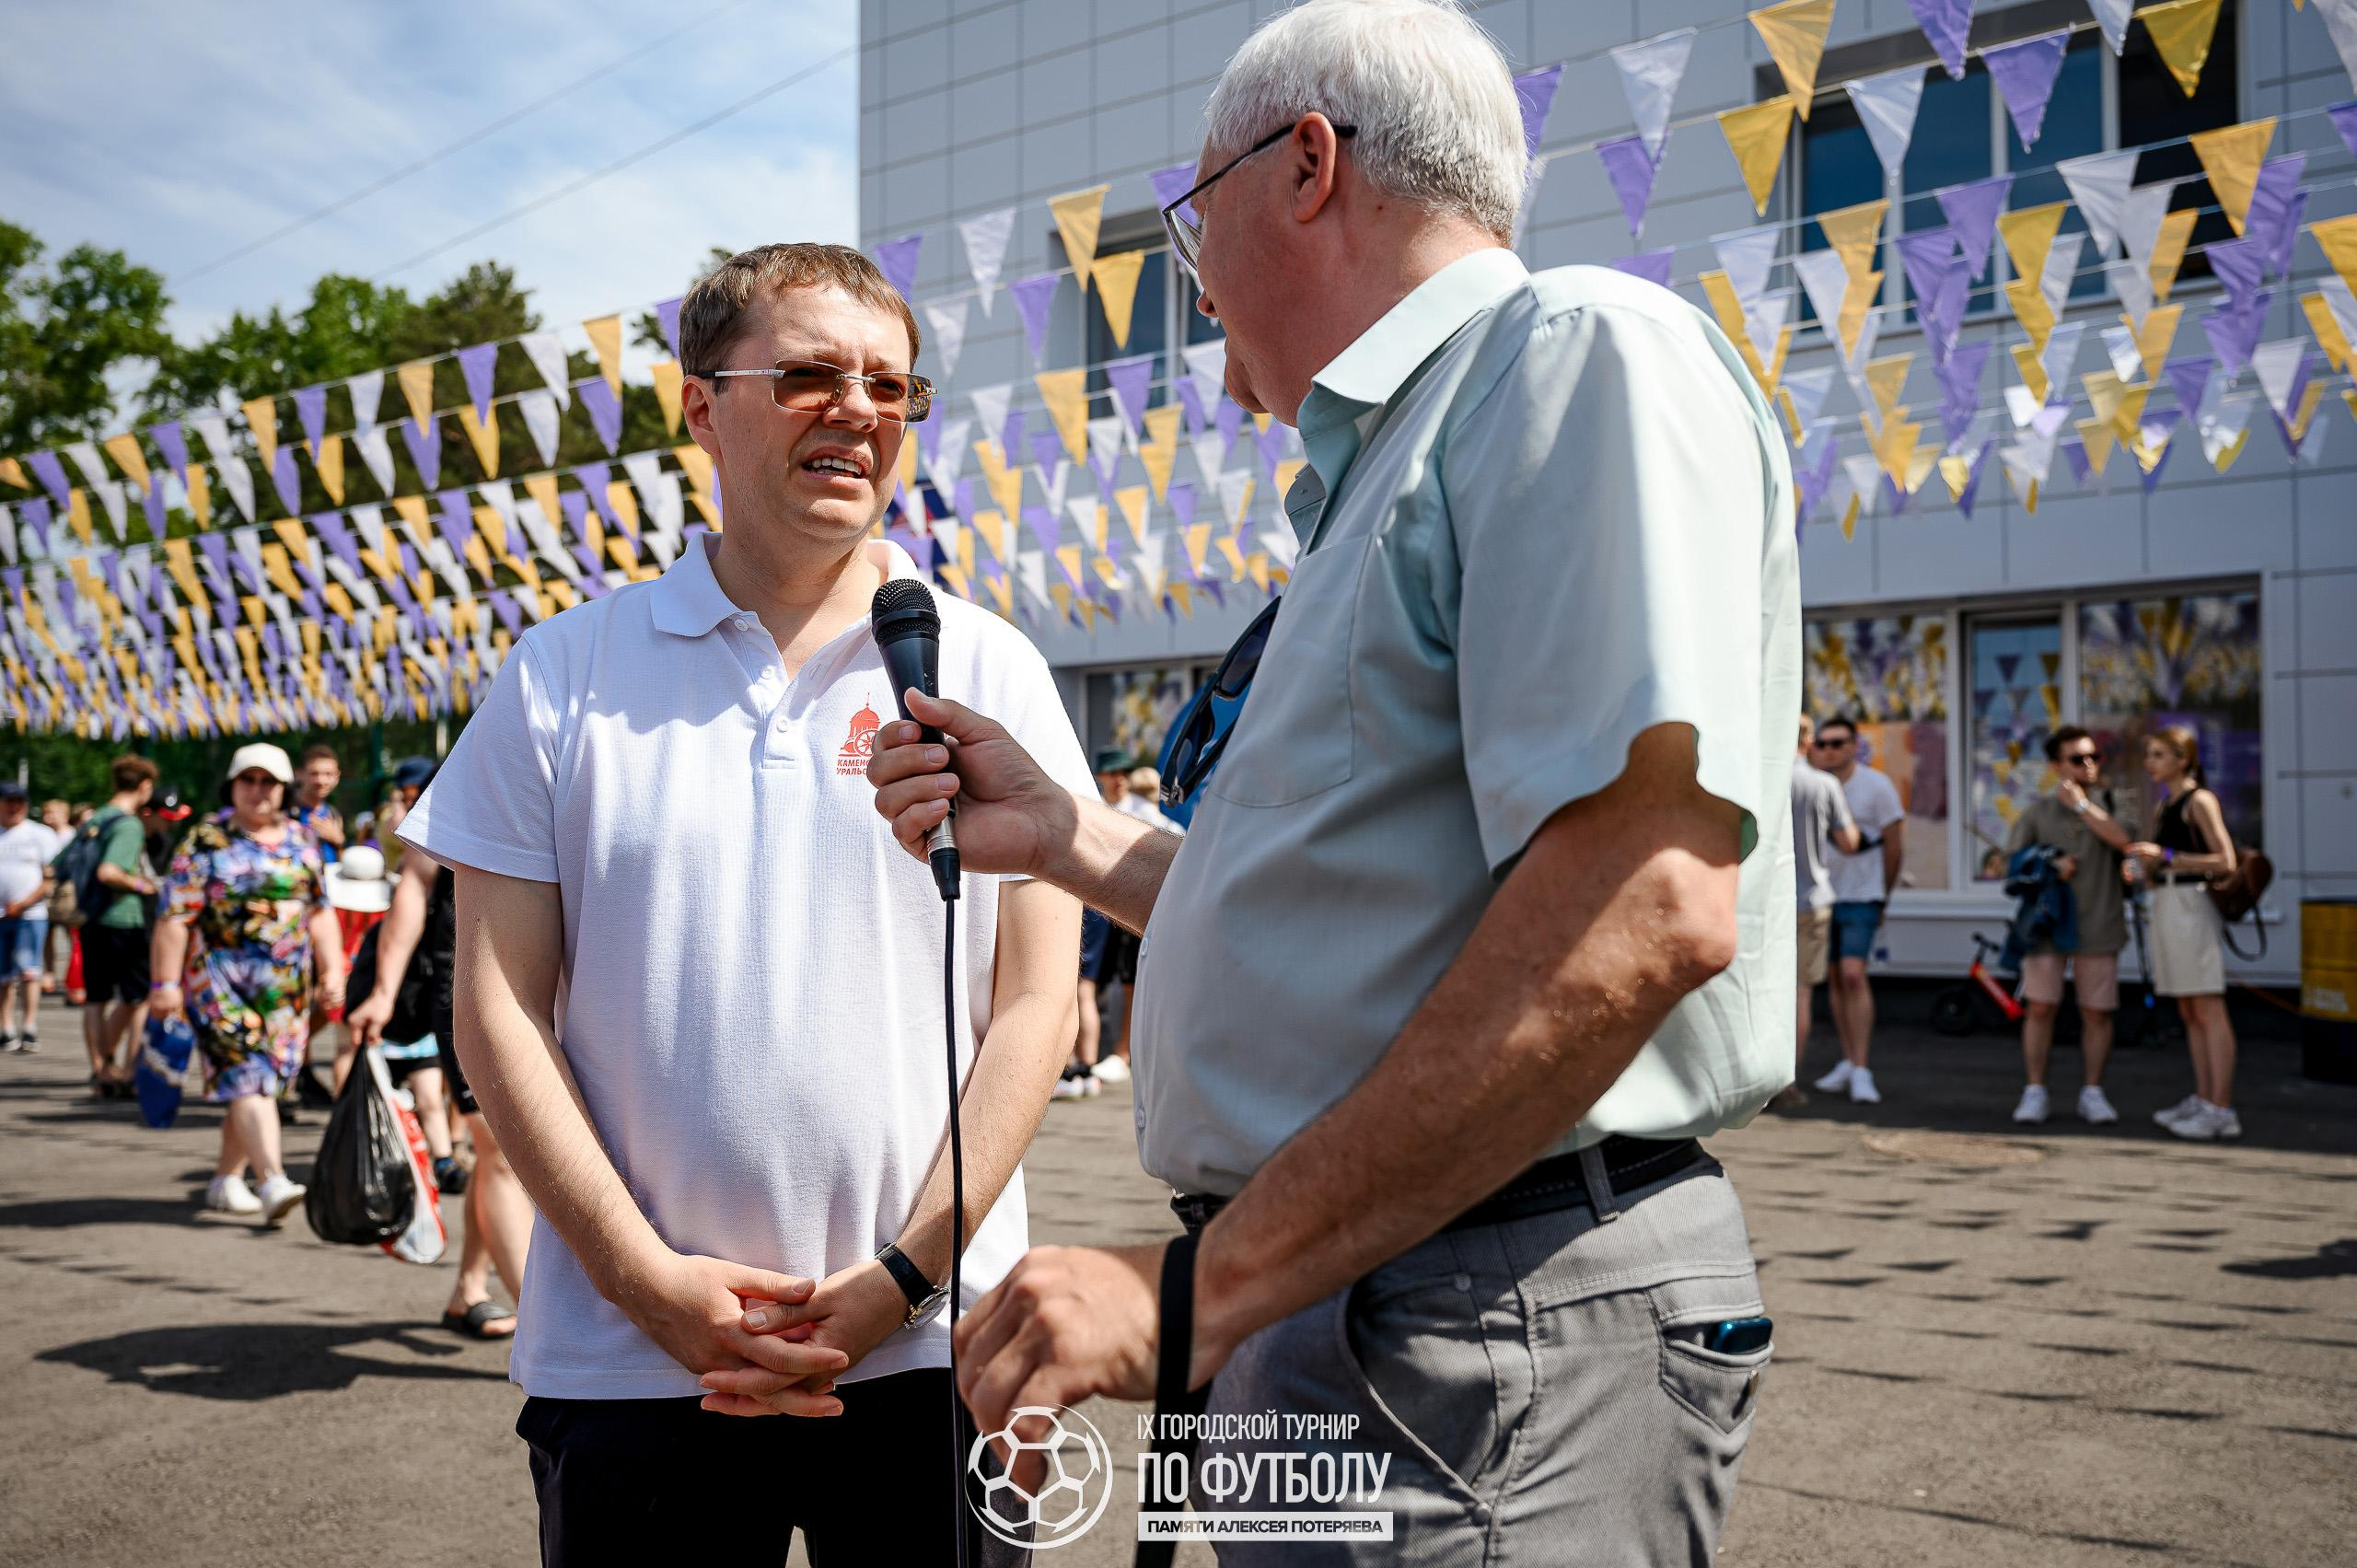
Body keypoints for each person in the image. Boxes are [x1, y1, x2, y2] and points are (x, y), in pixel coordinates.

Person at [862, 3, 1796, 1556]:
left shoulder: (1573, 354)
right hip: (1341, 1292)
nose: (1197, 291)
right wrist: (1074, 838)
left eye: (1190, 224)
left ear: (1304, 166)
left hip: (1475, 1305)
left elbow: (1643, 907)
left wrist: (1191, 1294)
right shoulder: (1400, 455)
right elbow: (1365, 918)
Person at [398, 241, 1087, 1564]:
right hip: (634, 1357)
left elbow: (1033, 1001)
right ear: (704, 404)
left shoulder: (987, 662)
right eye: (813, 373)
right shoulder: (562, 672)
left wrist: (902, 1277)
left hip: (936, 1349)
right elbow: (497, 1006)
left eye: (892, 385)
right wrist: (637, 1275)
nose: (862, 410)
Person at [348, 812, 535, 1342]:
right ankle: (546, 1326)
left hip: (547, 991)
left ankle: (467, 1291)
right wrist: (383, 992)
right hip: (471, 992)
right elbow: (414, 885)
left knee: (493, 1154)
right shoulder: (482, 756)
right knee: (501, 1150)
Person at [150, 744, 344, 1223]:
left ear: (283, 789)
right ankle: (273, 1179)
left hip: (284, 987)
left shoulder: (302, 840)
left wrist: (334, 969)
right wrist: (165, 984)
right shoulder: (205, 841)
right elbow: (175, 918)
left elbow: (319, 912)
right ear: (232, 785)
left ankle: (225, 1179)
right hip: (218, 981)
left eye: (268, 782)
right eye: (248, 780)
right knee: (249, 1076)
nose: (258, 791)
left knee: (261, 1081)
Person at [2004, 726, 2131, 1125]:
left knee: (2097, 1012)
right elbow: (2010, 866)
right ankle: (2035, 1089)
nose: (2089, 765)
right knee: (2040, 1008)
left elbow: (2125, 841)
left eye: (2094, 757)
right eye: (2078, 759)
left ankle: (2092, 1092)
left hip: (2100, 921)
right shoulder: (2037, 813)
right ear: (2056, 765)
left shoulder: (2113, 802)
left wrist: (2082, 808)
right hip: (2046, 925)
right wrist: (2048, 863)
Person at [2128, 725, 2243, 1141]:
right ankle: (2204, 1097)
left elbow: (2226, 860)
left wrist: (2168, 856)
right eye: (2149, 754)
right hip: (2168, 904)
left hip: (2192, 906)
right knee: (2190, 1010)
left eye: (2159, 754)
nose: (2150, 763)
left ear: (2183, 759)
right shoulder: (2166, 805)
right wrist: (2148, 866)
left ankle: (2221, 1107)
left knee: (2208, 1007)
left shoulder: (2200, 800)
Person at [1810, 714, 1904, 1104]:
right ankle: (1848, 1060)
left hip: (1863, 895)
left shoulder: (1876, 785)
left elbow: (1895, 844)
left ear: (1853, 745)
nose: (1829, 750)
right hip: (1821, 895)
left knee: (1853, 975)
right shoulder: (1813, 784)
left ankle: (1862, 1067)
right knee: (1832, 979)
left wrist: (1885, 895)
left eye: (1838, 743)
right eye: (1823, 743)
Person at [1781, 717, 1860, 1109]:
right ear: (1808, 740)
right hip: (1811, 900)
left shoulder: (1763, 782)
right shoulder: (1823, 784)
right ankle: (1786, 1083)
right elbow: (1848, 842)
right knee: (1799, 995)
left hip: (1767, 904)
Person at [72, 758, 160, 1097]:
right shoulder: (128, 824)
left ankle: (100, 1070)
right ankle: (128, 1072)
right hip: (123, 918)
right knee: (138, 998)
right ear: (144, 786)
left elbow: (58, 864)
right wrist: (142, 885)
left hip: (91, 917)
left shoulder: (94, 818)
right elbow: (108, 872)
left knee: (96, 998)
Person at [0, 781, 64, 1054]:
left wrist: (24, 903)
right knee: (3, 976)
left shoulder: (40, 834)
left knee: (29, 971)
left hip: (31, 913)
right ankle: (6, 1028)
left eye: (20, 801)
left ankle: (29, 1026)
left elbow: (49, 878)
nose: (15, 807)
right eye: (9, 801)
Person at [38, 798, 71, 995]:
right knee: (47, 934)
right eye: (45, 813)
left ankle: (71, 976)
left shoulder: (72, 835)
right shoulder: (43, 835)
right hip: (46, 890)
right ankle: (48, 973)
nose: (47, 817)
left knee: (71, 934)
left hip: (66, 890)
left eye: (51, 813)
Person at [291, 744, 346, 862]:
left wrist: (339, 841)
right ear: (299, 774)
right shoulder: (285, 810)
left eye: (328, 774)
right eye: (314, 774)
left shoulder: (333, 814)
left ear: (337, 777)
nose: (321, 781)